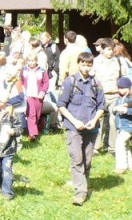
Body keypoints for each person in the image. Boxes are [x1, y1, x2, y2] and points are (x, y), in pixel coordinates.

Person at [56, 52, 106, 206]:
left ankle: (82, 182)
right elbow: (61, 106)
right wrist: (75, 121)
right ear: (78, 64)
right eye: (83, 64)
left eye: (89, 64)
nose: (86, 67)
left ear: (92, 65)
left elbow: (102, 106)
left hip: (91, 127)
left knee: (88, 160)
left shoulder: (96, 83)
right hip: (73, 127)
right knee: (77, 159)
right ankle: (81, 192)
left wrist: (94, 120)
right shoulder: (70, 82)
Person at [92, 37, 123, 155]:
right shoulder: (95, 61)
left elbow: (123, 76)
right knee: (98, 121)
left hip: (114, 94)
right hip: (100, 95)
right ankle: (96, 147)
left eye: (112, 50)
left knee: (113, 121)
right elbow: (91, 78)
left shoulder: (117, 61)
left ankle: (112, 147)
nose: (111, 52)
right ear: (102, 49)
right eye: (108, 49)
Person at [21, 52, 50, 141]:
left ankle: (36, 127)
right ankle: (32, 134)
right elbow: (21, 81)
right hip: (28, 95)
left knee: (37, 114)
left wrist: (43, 92)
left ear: (36, 61)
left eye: (33, 61)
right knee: (31, 114)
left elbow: (46, 82)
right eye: (29, 61)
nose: (31, 63)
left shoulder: (41, 70)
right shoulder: (24, 70)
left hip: (38, 95)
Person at [111, 76, 132, 175]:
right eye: (119, 88)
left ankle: (121, 166)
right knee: (126, 146)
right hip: (121, 126)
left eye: (123, 88)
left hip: (128, 126)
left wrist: (127, 110)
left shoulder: (130, 99)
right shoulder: (119, 99)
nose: (121, 90)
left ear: (129, 88)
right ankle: (129, 165)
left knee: (119, 144)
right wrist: (114, 109)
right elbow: (114, 110)